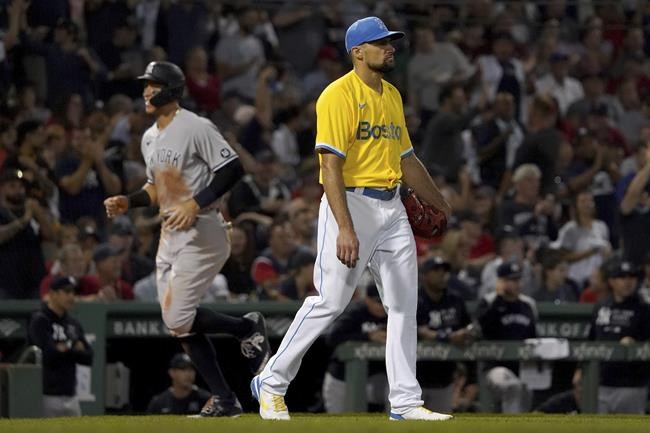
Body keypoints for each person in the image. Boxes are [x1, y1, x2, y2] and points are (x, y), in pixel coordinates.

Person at [251, 17, 452, 422]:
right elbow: (329, 167)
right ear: (357, 51)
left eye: (391, 42)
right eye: (381, 43)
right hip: (352, 204)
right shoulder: (337, 95)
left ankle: (405, 402)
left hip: (392, 205)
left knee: (402, 305)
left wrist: (441, 203)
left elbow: (406, 159)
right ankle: (271, 381)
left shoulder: (392, 94)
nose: (391, 48)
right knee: (330, 301)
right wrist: (344, 226)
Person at [103, 60, 271, 417]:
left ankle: (245, 330)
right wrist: (129, 201)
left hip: (204, 227)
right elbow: (155, 187)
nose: (147, 90)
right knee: (177, 322)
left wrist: (196, 203)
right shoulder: (150, 137)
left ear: (173, 91)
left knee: (178, 316)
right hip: (171, 231)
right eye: (145, 84)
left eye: (154, 84)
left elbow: (232, 168)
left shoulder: (195, 126)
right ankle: (227, 390)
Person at [476, 261, 537, 413]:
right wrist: (499, 299)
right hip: (494, 366)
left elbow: (533, 336)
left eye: (518, 280)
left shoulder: (528, 304)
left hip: (523, 367)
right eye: (511, 280)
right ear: (501, 281)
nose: (516, 284)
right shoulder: (489, 301)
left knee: (525, 397)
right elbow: (484, 329)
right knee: (512, 387)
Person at [28, 276, 93, 417]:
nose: (71, 296)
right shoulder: (40, 319)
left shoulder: (73, 323)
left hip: (71, 394)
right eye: (67, 292)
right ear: (53, 294)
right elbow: (49, 354)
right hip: (47, 395)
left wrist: (64, 348)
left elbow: (89, 357)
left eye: (73, 292)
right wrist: (73, 347)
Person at [146, 352, 211, 415]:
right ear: (171, 372)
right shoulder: (159, 402)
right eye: (183, 369)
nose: (188, 374)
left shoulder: (206, 400)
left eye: (191, 369)